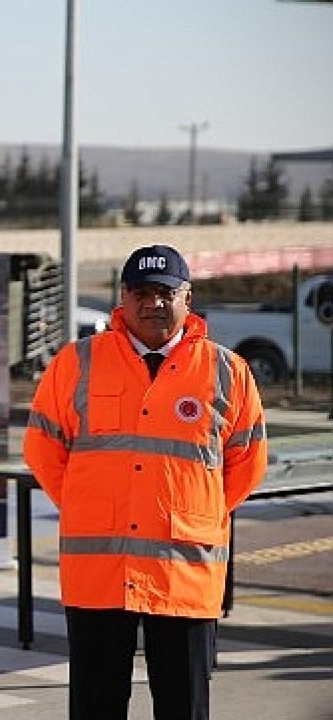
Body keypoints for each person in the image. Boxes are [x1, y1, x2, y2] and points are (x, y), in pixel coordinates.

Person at [23, 244, 268, 720]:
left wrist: (199, 511)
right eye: (141, 292)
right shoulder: (77, 363)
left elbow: (247, 461)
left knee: (183, 706)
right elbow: (43, 448)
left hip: (185, 572)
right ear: (122, 296)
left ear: (187, 298)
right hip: (101, 572)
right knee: (96, 705)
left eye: (165, 293)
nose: (153, 303)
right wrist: (85, 503)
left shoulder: (227, 371)